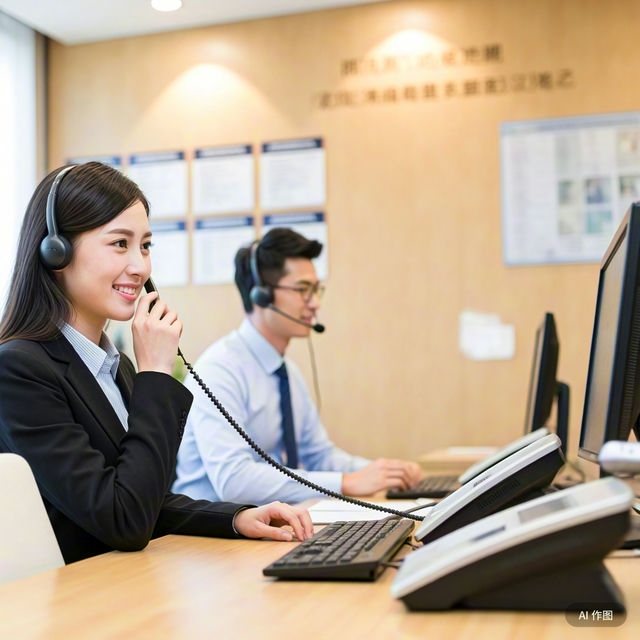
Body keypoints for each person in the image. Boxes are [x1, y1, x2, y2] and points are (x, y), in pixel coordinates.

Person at [0, 162, 313, 564]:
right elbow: (123, 519)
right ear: (56, 251)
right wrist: (155, 374)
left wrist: (236, 518)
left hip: (126, 583)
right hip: (73, 603)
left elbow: (146, 497)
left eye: (145, 246)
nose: (141, 266)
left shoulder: (116, 368)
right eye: (120, 244)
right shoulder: (19, 370)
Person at [172, 227, 423, 504]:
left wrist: (382, 472)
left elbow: (318, 455)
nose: (315, 304)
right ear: (262, 295)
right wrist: (347, 483)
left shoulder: (286, 372)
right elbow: (234, 481)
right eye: (303, 290)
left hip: (269, 523)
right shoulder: (219, 371)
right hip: (207, 536)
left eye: (316, 290)